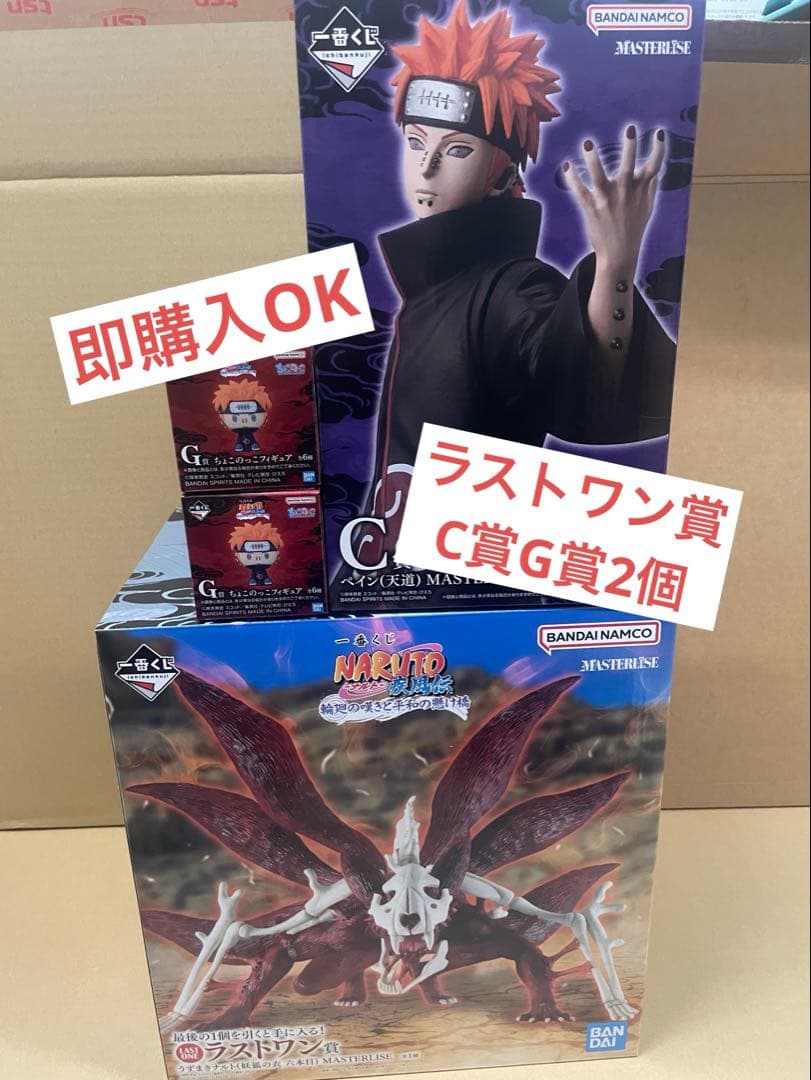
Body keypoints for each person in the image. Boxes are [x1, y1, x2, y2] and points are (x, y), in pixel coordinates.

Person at [344, 2, 675, 573]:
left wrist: (615, 267)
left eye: (457, 150)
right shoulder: (431, 287)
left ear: (503, 173)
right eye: (416, 142)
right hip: (398, 573)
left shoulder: (513, 285)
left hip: (470, 579)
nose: (426, 168)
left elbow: (575, 378)